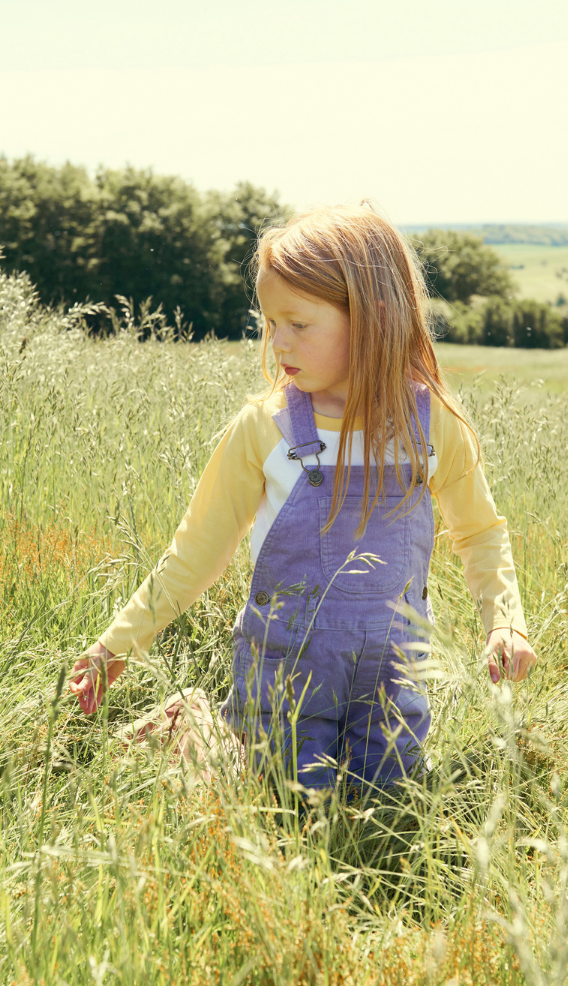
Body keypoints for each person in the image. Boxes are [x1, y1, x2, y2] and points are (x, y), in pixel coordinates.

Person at [70, 204, 536, 790]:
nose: (278, 342)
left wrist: (506, 622)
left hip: (392, 683)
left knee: (384, 801)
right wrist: (114, 646)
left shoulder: (432, 425)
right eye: (270, 324)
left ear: (373, 316)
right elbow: (195, 554)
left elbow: (480, 532)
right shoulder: (265, 429)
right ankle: (190, 724)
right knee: (283, 801)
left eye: (298, 323)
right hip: (285, 678)